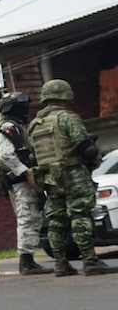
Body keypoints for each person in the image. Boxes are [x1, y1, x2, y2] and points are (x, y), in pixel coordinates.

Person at [27, 79, 118, 276]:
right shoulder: (68, 117)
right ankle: (90, 261)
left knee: (57, 220)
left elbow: (32, 155)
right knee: (80, 214)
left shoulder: (34, 125)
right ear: (65, 97)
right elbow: (85, 147)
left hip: (50, 179)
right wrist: (95, 158)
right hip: (72, 174)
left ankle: (61, 264)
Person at [0, 92, 53, 275]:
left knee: (32, 217)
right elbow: (6, 155)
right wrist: (25, 172)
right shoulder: (9, 127)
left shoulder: (16, 127)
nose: (26, 110)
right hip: (20, 181)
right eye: (22, 107)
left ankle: (28, 260)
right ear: (13, 109)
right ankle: (26, 262)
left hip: (22, 180)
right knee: (27, 217)